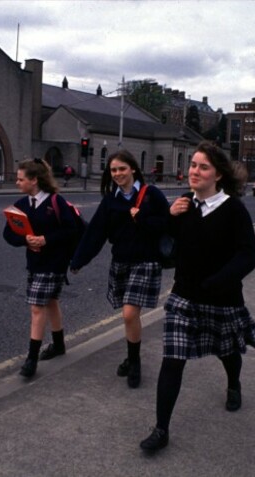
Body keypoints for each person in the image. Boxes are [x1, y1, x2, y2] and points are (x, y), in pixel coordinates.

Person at [140, 142, 255, 452]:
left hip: (223, 298)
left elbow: (248, 255)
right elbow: (165, 247)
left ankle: (233, 383)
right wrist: (169, 217)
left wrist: (219, 281)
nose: (195, 171)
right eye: (193, 165)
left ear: (218, 174)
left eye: (203, 167)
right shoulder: (183, 204)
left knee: (228, 352)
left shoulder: (234, 210)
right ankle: (161, 429)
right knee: (173, 360)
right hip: (183, 297)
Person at [70, 150, 169, 388]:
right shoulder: (110, 201)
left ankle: (134, 364)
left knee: (129, 314)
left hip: (146, 261)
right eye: (113, 170)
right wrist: (78, 261)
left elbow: (167, 223)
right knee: (128, 316)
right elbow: (96, 233)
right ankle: (132, 357)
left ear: (133, 169)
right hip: (121, 261)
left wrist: (142, 217)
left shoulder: (151, 195)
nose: (117, 174)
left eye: (122, 168)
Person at [3, 158, 77, 378]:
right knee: (51, 302)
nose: (17, 182)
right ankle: (59, 345)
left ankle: (31, 360)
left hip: (54, 262)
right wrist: (25, 240)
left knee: (37, 307)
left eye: (20, 179)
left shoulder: (56, 202)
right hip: (35, 263)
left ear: (34, 180)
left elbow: (71, 231)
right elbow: (7, 234)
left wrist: (46, 240)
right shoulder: (21, 206)